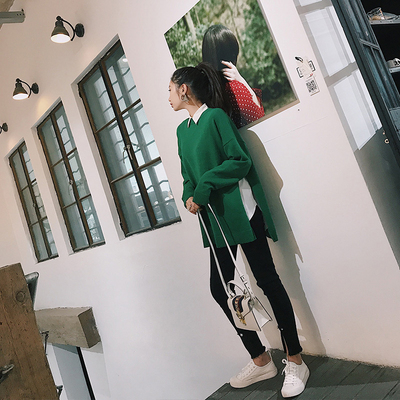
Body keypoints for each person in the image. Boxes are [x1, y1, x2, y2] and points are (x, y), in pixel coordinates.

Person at [168, 62, 309, 398]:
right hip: (214, 219)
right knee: (220, 288)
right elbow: (187, 172)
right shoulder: (183, 131)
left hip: (242, 212)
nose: (168, 96)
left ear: (184, 89)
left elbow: (239, 161)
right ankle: (261, 360)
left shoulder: (216, 118)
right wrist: (189, 193)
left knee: (267, 281)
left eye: (170, 89)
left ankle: (296, 359)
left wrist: (204, 186)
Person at [202, 24, 265, 129]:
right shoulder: (235, 89)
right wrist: (242, 81)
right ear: (231, 53)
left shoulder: (205, 90)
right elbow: (260, 118)